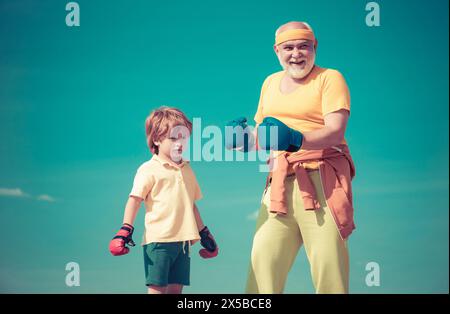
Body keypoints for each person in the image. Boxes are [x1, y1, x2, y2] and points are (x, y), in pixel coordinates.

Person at [226, 21, 356, 293]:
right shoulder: (270, 83)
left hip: (322, 181)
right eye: (289, 47)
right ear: (277, 51)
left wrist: (297, 139)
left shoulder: (330, 78)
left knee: (328, 266)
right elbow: (266, 138)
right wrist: (242, 142)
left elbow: (335, 131)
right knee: (262, 264)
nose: (296, 53)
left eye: (303, 46)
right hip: (278, 184)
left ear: (314, 47)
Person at [109, 106, 219, 294]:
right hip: (159, 241)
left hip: (183, 243)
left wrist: (205, 233)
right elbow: (134, 200)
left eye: (183, 137)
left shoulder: (187, 169)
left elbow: (190, 205)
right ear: (157, 139)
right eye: (173, 138)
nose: (179, 143)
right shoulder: (148, 169)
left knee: (176, 292)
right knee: (157, 291)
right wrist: (125, 229)